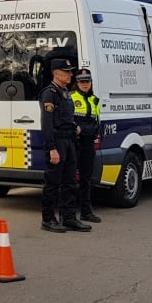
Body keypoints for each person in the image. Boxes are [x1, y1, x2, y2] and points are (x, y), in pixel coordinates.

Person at [39, 58, 91, 233]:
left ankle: (68, 217)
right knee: (53, 182)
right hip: (57, 142)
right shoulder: (50, 93)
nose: (70, 74)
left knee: (70, 182)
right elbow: (47, 124)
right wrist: (51, 148)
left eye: (70, 71)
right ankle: (48, 219)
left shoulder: (65, 92)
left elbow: (65, 116)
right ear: (56, 73)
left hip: (69, 141)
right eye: (66, 71)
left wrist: (74, 126)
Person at [71, 69, 102, 223]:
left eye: (87, 81)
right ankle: (68, 215)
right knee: (69, 179)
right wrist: (80, 130)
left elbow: (97, 123)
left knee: (86, 179)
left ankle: (86, 212)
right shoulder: (71, 98)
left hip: (88, 143)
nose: (85, 84)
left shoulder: (95, 100)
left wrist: (86, 130)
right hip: (74, 143)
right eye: (82, 81)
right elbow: (69, 122)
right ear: (77, 82)